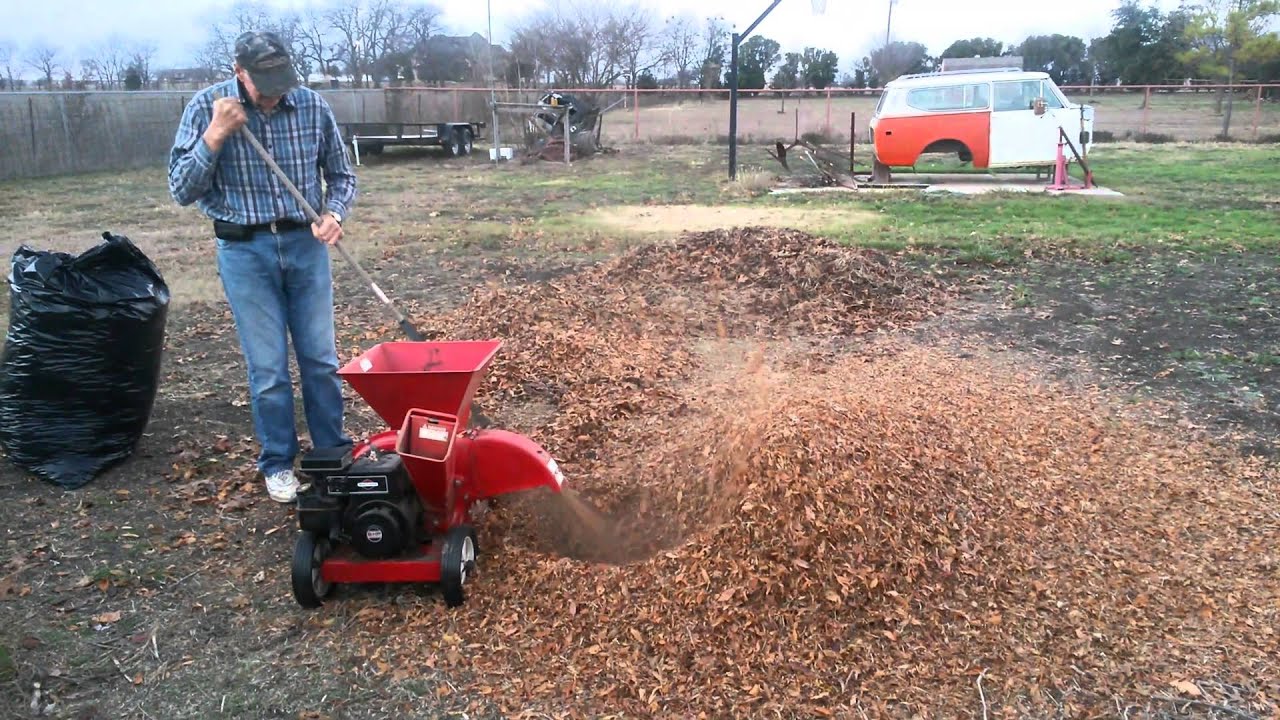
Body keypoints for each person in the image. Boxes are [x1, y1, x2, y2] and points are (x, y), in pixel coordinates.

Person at [168, 30, 358, 503]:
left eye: (282, 80)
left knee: (320, 360)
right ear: (239, 72)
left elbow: (341, 175)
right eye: (263, 83)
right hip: (244, 252)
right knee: (269, 369)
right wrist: (214, 136)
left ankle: (333, 456)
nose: (275, 92)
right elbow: (181, 188)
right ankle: (277, 462)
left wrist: (334, 214)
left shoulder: (312, 106)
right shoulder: (206, 107)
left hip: (304, 246)